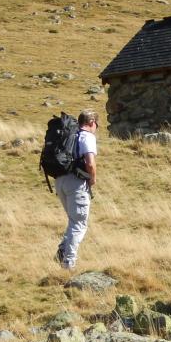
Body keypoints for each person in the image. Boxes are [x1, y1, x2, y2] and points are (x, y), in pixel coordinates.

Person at [55, 109, 98, 270]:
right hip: (77, 182)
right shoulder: (87, 137)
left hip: (60, 180)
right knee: (79, 223)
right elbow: (90, 162)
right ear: (92, 123)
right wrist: (92, 179)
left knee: (73, 220)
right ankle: (68, 262)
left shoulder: (69, 135)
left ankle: (63, 249)